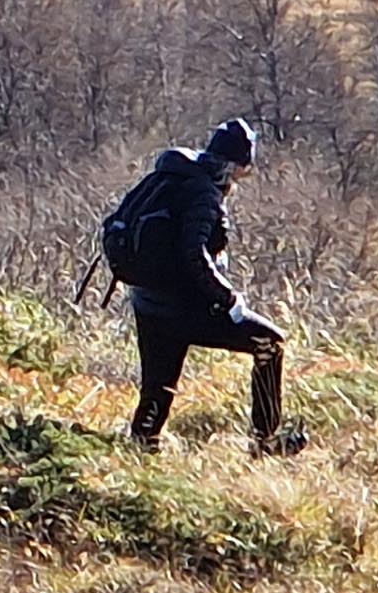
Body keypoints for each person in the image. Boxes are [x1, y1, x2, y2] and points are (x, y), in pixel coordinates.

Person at [114, 119, 306, 459]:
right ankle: (265, 442)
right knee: (270, 344)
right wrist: (228, 299)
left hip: (148, 301)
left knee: (158, 388)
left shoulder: (172, 175)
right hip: (185, 307)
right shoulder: (204, 193)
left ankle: (139, 456)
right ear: (236, 165)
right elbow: (194, 253)